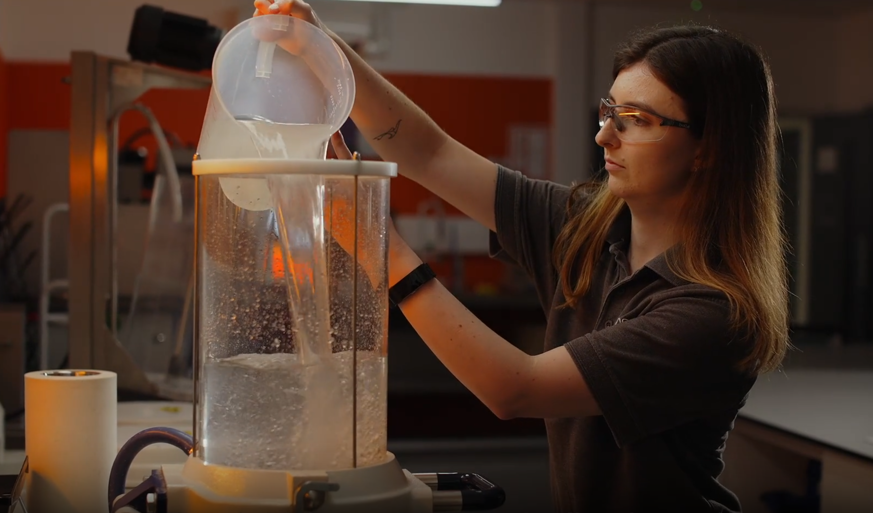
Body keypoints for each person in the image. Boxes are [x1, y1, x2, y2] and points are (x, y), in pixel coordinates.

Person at [254, 2, 790, 511]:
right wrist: (321, 44)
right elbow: (428, 151)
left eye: (637, 119)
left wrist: (381, 248)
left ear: (709, 148)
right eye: (609, 110)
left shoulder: (711, 311)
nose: (605, 133)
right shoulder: (585, 227)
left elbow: (516, 389)